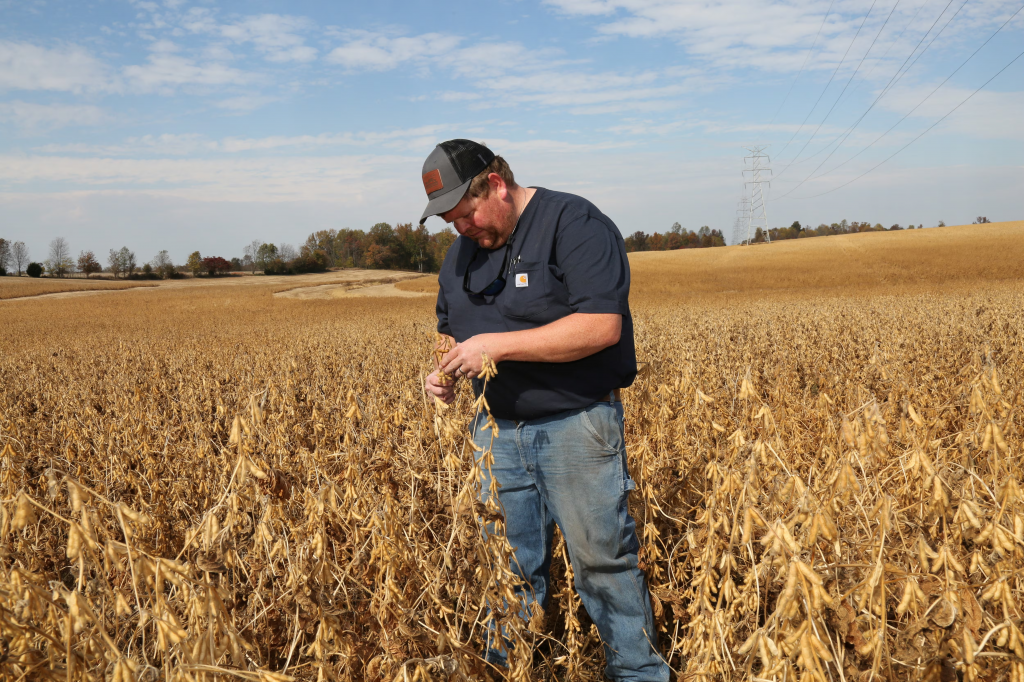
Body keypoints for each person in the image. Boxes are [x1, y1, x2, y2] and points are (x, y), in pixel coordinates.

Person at [421, 139, 669, 682]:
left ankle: (637, 673)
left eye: (465, 214)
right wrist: (442, 372)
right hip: (495, 435)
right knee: (507, 567)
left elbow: (601, 326)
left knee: (602, 564)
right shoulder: (462, 253)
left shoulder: (573, 223)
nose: (460, 229)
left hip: (575, 426)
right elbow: (450, 330)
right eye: (449, 222)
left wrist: (497, 347)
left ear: (497, 185)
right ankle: (507, 671)